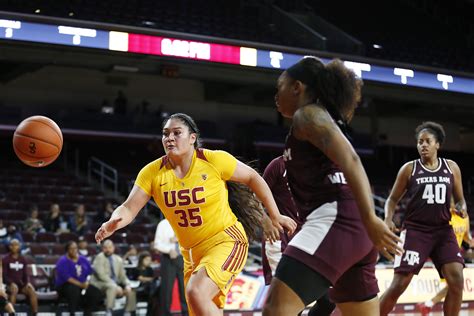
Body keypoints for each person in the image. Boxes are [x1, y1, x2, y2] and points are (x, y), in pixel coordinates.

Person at [95, 112, 296, 316]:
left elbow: (253, 177)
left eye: (176, 133)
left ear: (192, 138)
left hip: (226, 241)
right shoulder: (152, 172)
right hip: (191, 255)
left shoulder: (213, 160)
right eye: (165, 134)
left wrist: (274, 214)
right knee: (203, 307)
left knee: (196, 292)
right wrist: (114, 221)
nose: (169, 138)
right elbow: (129, 207)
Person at [262, 56, 403, 316]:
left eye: (279, 85)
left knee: (275, 309)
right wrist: (367, 220)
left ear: (297, 87)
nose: (275, 94)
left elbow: (351, 159)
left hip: (335, 219)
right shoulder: (321, 117)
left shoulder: (308, 114)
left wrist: (372, 218)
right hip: (353, 229)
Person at [380, 121, 466, 316]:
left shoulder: (451, 167)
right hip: (415, 231)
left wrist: (462, 208)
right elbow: (392, 199)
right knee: (399, 285)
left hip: (443, 231)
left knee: (457, 281)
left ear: (438, 144)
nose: (423, 145)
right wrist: (387, 218)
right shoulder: (409, 169)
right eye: (420, 142)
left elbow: (460, 200)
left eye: (428, 141)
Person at [261, 156, 335, 316]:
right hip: (279, 238)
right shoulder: (277, 165)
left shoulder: (318, 169)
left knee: (329, 301)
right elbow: (254, 197)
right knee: (289, 301)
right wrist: (265, 220)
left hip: (308, 239)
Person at [416, 199, 473, 315]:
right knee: (454, 284)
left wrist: (471, 242)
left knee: (454, 285)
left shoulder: (465, 218)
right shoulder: (444, 216)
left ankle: (428, 305)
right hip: (444, 254)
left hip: (456, 255)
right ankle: (429, 304)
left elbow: (467, 237)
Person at [55, 241, 103, 315]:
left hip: (82, 284)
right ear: (67, 250)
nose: (74, 250)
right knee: (73, 290)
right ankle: (72, 313)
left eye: (75, 248)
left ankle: (87, 312)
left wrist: (87, 282)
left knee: (96, 292)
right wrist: (81, 285)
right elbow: (67, 278)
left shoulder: (83, 259)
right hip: (65, 285)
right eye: (71, 249)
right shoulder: (62, 261)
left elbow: (90, 272)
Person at [90, 240, 136, 315]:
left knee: (131, 289)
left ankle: (129, 312)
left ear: (113, 248)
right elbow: (101, 275)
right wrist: (116, 286)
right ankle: (109, 310)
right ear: (102, 248)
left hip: (113, 283)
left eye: (110, 247)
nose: (108, 250)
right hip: (99, 283)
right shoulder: (99, 257)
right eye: (105, 248)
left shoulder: (118, 259)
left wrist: (127, 284)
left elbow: (122, 276)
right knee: (112, 287)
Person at [154, 218, 188, 316]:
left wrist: (180, 240)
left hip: (183, 258)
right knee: (167, 289)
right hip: (168, 258)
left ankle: (186, 313)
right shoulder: (163, 224)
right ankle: (165, 313)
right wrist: (169, 250)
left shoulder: (185, 222)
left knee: (184, 288)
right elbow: (157, 244)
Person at [2, 239, 38, 315]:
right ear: (10, 247)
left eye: (16, 245)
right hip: (9, 285)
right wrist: (11, 283)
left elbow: (25, 274)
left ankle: (34, 313)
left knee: (31, 290)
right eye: (13, 245)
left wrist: (27, 283)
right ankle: (11, 313)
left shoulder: (23, 259)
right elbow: (4, 276)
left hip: (20, 285)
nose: (15, 246)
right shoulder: (5, 259)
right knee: (14, 289)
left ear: (19, 246)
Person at [128, 251, 159, 316]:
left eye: (150, 260)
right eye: (147, 260)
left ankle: (149, 314)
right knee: (132, 295)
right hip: (138, 289)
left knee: (153, 296)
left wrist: (148, 280)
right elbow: (140, 278)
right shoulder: (136, 269)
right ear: (142, 260)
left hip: (147, 290)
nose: (149, 261)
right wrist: (149, 279)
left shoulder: (150, 269)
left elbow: (152, 279)